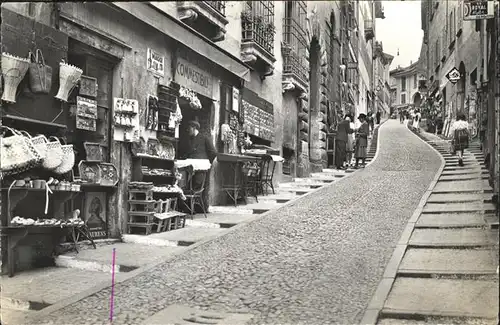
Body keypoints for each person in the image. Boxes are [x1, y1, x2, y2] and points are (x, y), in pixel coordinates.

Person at [179, 120, 217, 212]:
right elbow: (189, 153)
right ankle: (191, 208)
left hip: (202, 168)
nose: (188, 131)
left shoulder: (205, 138)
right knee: (189, 187)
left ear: (194, 128)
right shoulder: (190, 140)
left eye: (189, 129)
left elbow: (213, 152)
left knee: (200, 188)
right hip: (191, 169)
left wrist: (207, 163)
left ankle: (202, 208)